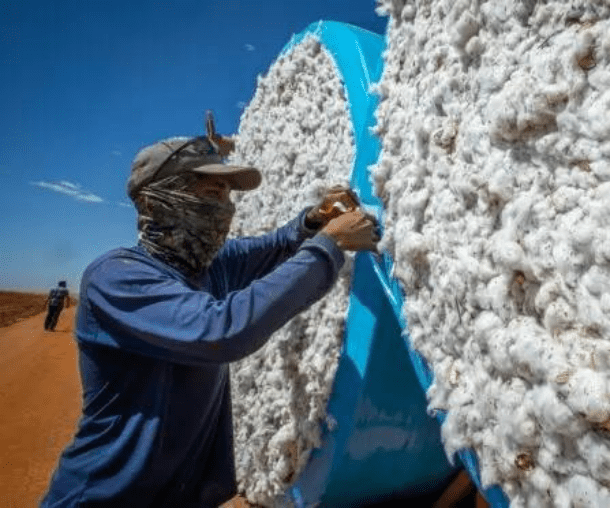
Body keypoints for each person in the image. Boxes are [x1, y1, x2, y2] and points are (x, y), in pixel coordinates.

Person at [41, 119, 379, 507]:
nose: (223, 206)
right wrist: (328, 245)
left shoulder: (208, 268)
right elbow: (219, 333)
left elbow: (273, 247)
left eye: (226, 193)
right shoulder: (117, 278)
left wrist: (314, 220)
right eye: (210, 190)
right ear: (154, 201)